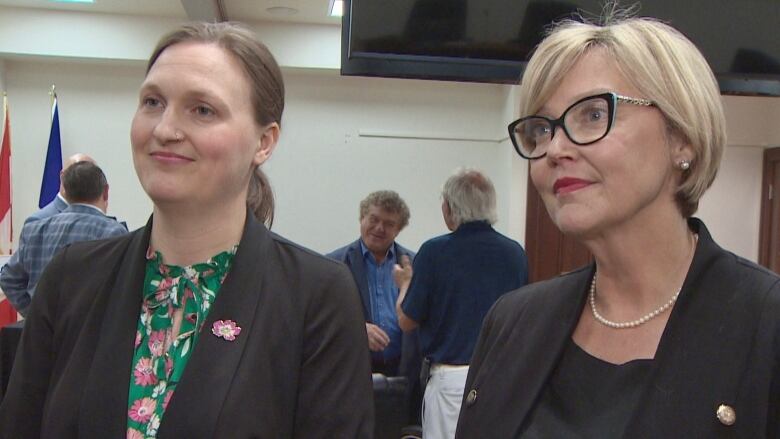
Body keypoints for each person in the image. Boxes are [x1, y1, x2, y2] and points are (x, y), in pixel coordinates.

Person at [0, 22, 373, 438]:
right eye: (153, 102)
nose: (164, 129)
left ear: (264, 143)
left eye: (203, 110)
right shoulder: (72, 278)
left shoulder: (317, 297)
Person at [454, 12, 780, 439]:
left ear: (682, 138)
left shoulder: (765, 324)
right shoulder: (512, 322)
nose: (554, 149)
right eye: (541, 129)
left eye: (592, 115)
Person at [395, 168, 529, 439]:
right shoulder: (515, 253)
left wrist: (405, 284)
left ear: (449, 208)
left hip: (451, 383)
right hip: (501, 376)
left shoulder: (435, 251)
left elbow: (406, 321)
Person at [327, 190, 422, 426]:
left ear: (399, 229)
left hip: (404, 375)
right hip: (353, 376)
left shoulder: (416, 265)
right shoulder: (333, 265)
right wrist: (356, 330)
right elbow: (321, 322)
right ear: (362, 218)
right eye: (374, 219)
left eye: (389, 224)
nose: (379, 228)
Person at [0, 161, 127, 316]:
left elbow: (8, 278)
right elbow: (124, 290)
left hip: (41, 335)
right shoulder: (113, 233)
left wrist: (33, 315)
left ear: (65, 190)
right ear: (106, 192)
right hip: (91, 335)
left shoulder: (34, 229)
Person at [25, 152, 95, 224]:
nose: (84, 182)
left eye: (90, 177)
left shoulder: (98, 219)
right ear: (62, 177)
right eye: (78, 175)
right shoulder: (38, 221)